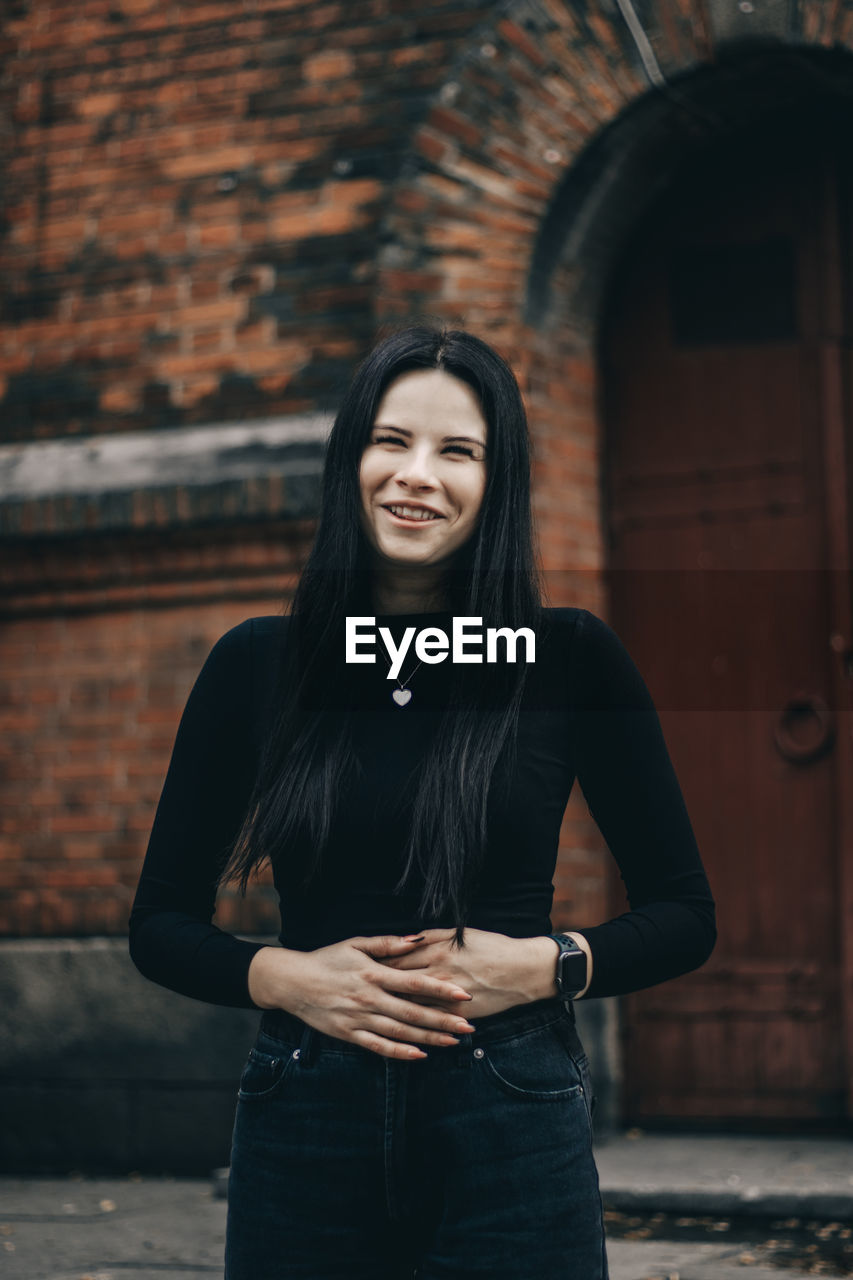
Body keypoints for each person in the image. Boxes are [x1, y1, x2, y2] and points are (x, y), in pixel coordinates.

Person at [129, 325, 716, 1279]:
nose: (417, 476)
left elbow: (685, 917)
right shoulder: (259, 664)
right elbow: (158, 925)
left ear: (498, 482)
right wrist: (289, 979)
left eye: (459, 452)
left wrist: (543, 966)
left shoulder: (564, 656)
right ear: (349, 457)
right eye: (391, 440)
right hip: (303, 1109)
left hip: (510, 1108)